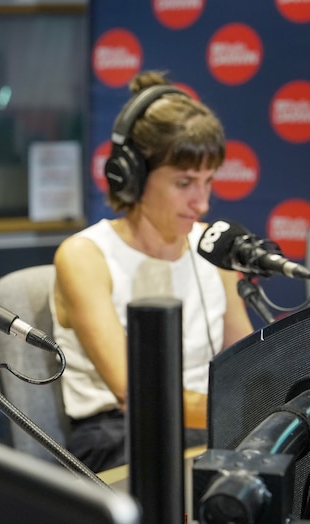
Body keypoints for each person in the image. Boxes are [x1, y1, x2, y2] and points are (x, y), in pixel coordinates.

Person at [51, 71, 253, 472]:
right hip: (120, 437)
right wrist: (245, 410)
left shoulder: (214, 249)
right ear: (133, 177)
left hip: (211, 427)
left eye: (208, 182)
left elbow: (248, 362)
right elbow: (135, 392)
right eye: (184, 183)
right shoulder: (83, 256)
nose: (202, 203)